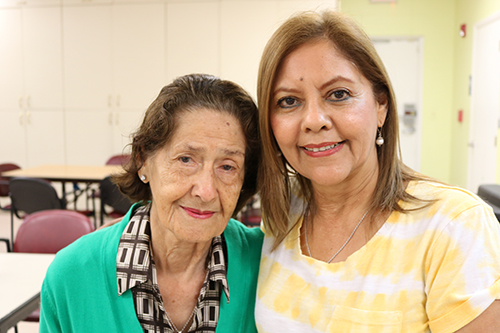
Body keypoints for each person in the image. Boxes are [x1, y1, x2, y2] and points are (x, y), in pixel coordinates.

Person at [254, 10, 500, 332]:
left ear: (380, 105)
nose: (314, 120)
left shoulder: (454, 225)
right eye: (288, 101)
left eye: (338, 94)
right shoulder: (282, 213)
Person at [39, 74, 263, 333]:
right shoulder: (72, 276)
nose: (206, 191)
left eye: (227, 166)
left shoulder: (268, 264)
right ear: (143, 159)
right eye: (186, 160)